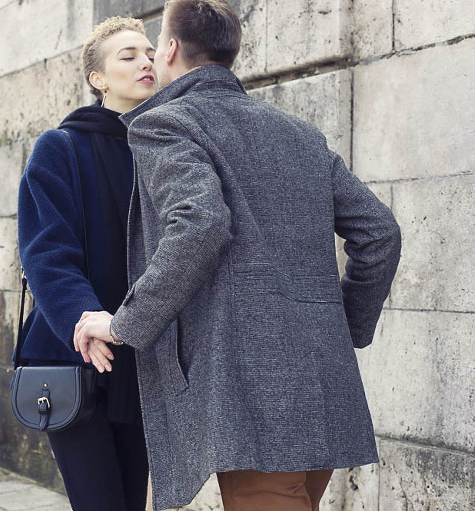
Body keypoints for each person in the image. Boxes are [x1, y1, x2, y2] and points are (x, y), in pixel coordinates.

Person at [73, 1, 402, 510]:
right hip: (321, 378)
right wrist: (345, 327)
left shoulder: (166, 124)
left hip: (255, 395)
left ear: (171, 50)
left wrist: (122, 324)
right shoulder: (300, 134)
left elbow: (199, 225)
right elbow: (379, 234)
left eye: (155, 46)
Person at [16, 16, 158, 511]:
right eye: (128, 55)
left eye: (149, 52)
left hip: (140, 353)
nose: (145, 61)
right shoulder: (60, 148)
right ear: (97, 79)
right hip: (75, 352)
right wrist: (87, 321)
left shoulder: (166, 149)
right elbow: (46, 254)